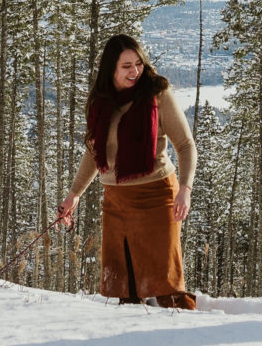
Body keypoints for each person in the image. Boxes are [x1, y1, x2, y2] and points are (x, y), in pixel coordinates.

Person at [58, 34, 199, 308]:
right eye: (126, 66)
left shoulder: (157, 94)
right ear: (110, 68)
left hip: (158, 198)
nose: (135, 71)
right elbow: (93, 150)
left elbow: (185, 144)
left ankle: (185, 343)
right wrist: (74, 194)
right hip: (116, 203)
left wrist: (185, 189)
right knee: (125, 293)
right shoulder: (100, 101)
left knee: (168, 290)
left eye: (138, 63)